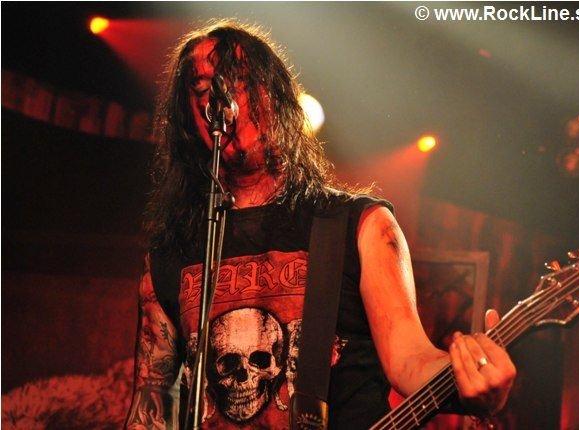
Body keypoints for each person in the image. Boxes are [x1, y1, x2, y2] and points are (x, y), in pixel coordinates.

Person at [125, 20, 516, 429]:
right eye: (204, 88)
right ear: (189, 118)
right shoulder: (173, 251)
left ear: (275, 96)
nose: (221, 98)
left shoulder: (358, 226)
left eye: (237, 80)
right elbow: (151, 402)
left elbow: (410, 360)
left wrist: (470, 375)